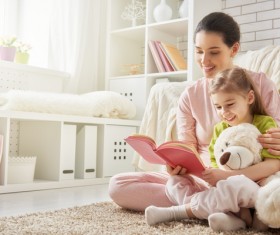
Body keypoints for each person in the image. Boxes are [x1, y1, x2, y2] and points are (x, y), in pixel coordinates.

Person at [108, 12, 280, 230]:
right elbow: (187, 147)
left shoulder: (259, 84)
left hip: (253, 177)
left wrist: (229, 175)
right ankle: (225, 209)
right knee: (118, 185)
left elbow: (274, 148)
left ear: (234, 49)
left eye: (214, 52)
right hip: (203, 179)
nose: (204, 61)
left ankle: (202, 207)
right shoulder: (190, 95)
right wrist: (176, 165)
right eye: (199, 52)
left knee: (269, 193)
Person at [145, 67, 280, 231]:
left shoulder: (265, 124)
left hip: (257, 189)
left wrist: (227, 176)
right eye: (218, 107)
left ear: (249, 97)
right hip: (228, 190)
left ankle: (177, 212)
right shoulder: (219, 130)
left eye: (230, 104)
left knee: (235, 185)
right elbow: (218, 165)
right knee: (174, 182)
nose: (224, 112)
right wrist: (209, 175)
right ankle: (237, 221)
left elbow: (273, 165)